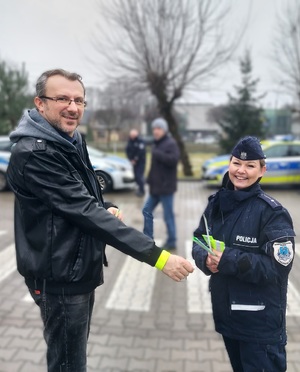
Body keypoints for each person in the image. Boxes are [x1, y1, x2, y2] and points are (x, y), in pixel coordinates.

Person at [6, 69, 194, 372]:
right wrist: (158, 257)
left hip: (78, 267)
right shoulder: (34, 153)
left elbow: (83, 195)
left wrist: (106, 205)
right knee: (68, 362)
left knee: (73, 355)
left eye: (79, 100)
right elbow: (83, 210)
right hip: (59, 276)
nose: (73, 107)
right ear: (39, 104)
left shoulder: (70, 139)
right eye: (63, 99)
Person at [192, 136, 295, 372]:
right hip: (228, 320)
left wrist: (228, 260)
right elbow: (198, 238)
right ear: (229, 164)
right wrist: (205, 259)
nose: (241, 171)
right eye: (237, 163)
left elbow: (278, 268)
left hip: (260, 328)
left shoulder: (273, 213)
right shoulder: (216, 203)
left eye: (250, 166)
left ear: (262, 171)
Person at [142, 117, 180, 250]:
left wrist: (158, 154)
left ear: (164, 130)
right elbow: (154, 167)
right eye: (154, 129)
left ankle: (172, 241)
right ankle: (147, 239)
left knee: (168, 215)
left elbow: (174, 160)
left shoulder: (170, 143)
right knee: (146, 210)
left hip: (166, 187)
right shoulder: (157, 144)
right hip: (155, 187)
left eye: (158, 128)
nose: (156, 131)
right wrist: (149, 179)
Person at [126, 128, 146, 196]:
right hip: (133, 162)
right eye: (131, 135)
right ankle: (139, 188)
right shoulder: (130, 141)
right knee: (136, 176)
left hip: (140, 162)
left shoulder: (140, 141)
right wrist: (130, 159)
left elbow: (141, 152)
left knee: (139, 176)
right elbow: (127, 150)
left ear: (136, 135)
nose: (132, 136)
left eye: (133, 135)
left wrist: (135, 159)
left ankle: (142, 190)